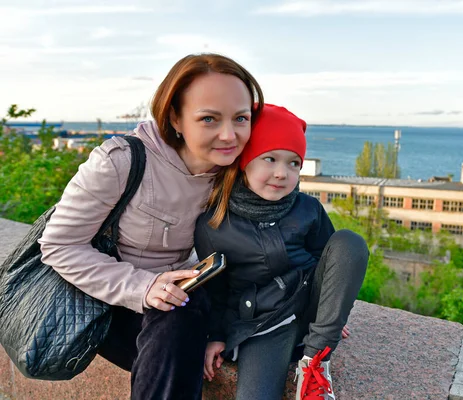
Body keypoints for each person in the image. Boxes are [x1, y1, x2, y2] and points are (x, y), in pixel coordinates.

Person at [39, 53, 264, 399]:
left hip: (185, 314)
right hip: (109, 306)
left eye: (241, 118)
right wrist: (143, 286)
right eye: (208, 119)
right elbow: (58, 244)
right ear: (175, 117)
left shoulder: (241, 175)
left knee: (184, 307)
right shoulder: (122, 161)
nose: (229, 134)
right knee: (180, 310)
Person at [195, 104, 369, 400]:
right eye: (270, 159)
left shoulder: (307, 208)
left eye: (293, 164)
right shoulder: (214, 224)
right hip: (264, 324)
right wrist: (216, 335)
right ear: (245, 161)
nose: (282, 173)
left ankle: (314, 365)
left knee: (349, 242)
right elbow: (215, 289)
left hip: (310, 310)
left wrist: (332, 312)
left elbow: (331, 262)